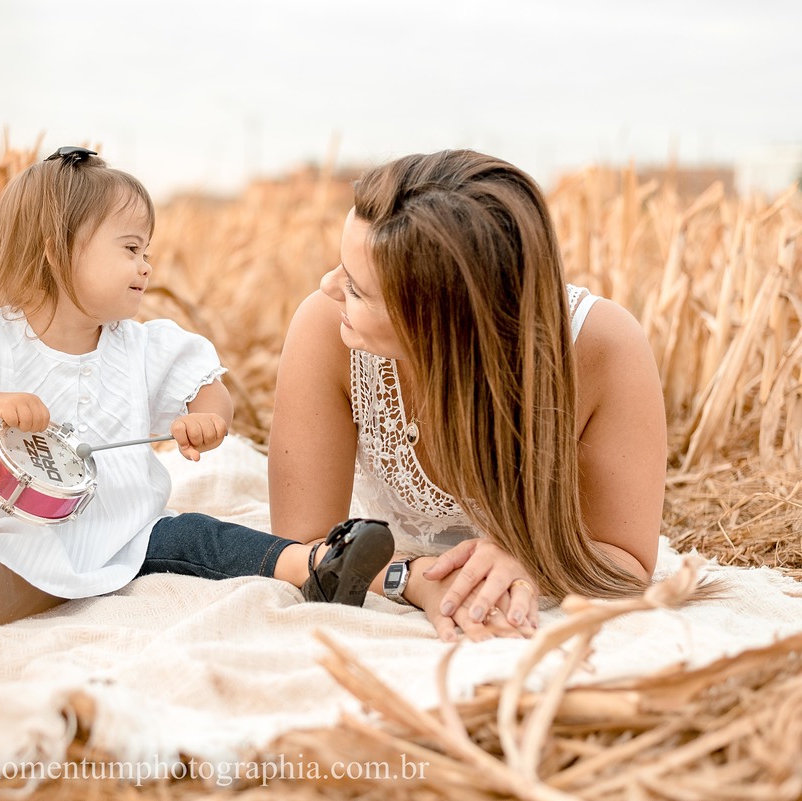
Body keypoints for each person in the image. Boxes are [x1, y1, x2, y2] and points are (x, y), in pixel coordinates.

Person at [0, 147, 394, 660]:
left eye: (146, 251)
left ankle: (317, 565)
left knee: (201, 536)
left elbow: (208, 387)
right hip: (9, 539)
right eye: (131, 249)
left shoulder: (142, 346)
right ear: (56, 253)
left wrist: (206, 418)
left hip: (127, 530)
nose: (146, 266)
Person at [266, 149, 666, 642]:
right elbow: (301, 545)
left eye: (356, 288)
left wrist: (532, 564)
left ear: (434, 324)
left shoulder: (604, 348)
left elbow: (628, 560)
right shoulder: (326, 328)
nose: (329, 286)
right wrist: (413, 580)